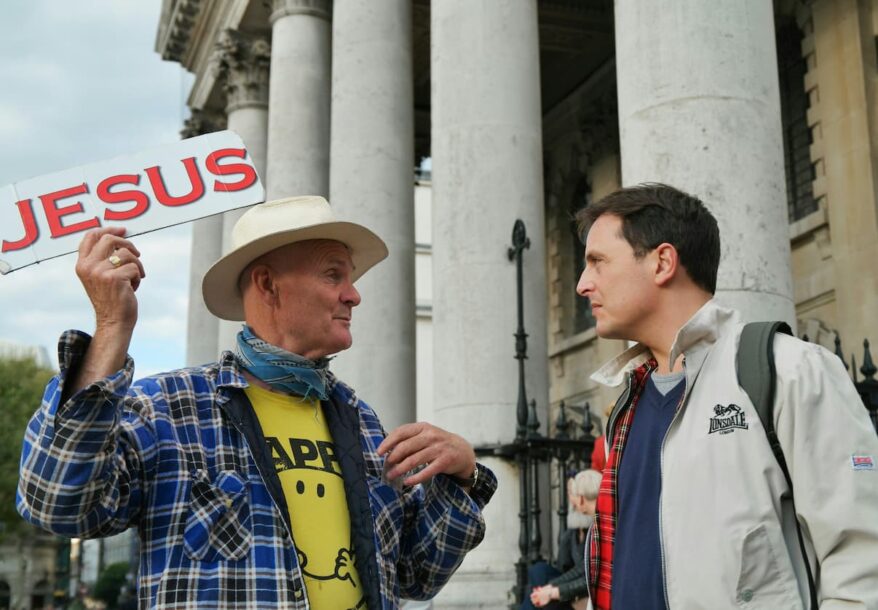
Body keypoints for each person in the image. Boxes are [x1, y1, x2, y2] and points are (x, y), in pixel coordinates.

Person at [16, 195, 496, 609]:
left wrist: (464, 477)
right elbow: (58, 503)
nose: (354, 296)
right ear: (267, 285)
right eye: (334, 275)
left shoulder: (361, 420)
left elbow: (413, 574)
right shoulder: (170, 409)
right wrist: (111, 326)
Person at [575, 183, 878, 609]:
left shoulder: (789, 370)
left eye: (597, 262)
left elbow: (863, 564)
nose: (582, 285)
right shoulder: (626, 405)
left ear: (662, 262)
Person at [525, 469, 601, 610]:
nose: (571, 502)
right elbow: (583, 568)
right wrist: (550, 588)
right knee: (538, 574)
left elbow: (593, 578)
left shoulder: (603, 526)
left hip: (603, 595)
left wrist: (554, 591)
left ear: (581, 499)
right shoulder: (598, 524)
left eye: (572, 494)